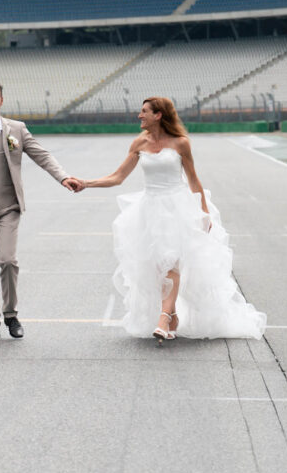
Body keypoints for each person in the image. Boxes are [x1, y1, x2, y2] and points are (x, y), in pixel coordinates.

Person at [78, 97, 265, 342]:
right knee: (156, 267)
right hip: (149, 210)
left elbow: (193, 180)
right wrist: (85, 183)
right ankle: (173, 314)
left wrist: (204, 213)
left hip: (178, 208)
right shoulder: (139, 143)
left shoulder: (181, 143)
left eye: (144, 112)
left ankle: (164, 317)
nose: (139, 116)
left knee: (171, 263)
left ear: (158, 115)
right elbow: (117, 177)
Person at [0, 80, 83, 340]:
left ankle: (11, 314)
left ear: (1, 100)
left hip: (8, 206)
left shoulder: (16, 130)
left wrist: (63, 177)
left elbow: (42, 155)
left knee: (7, 261)